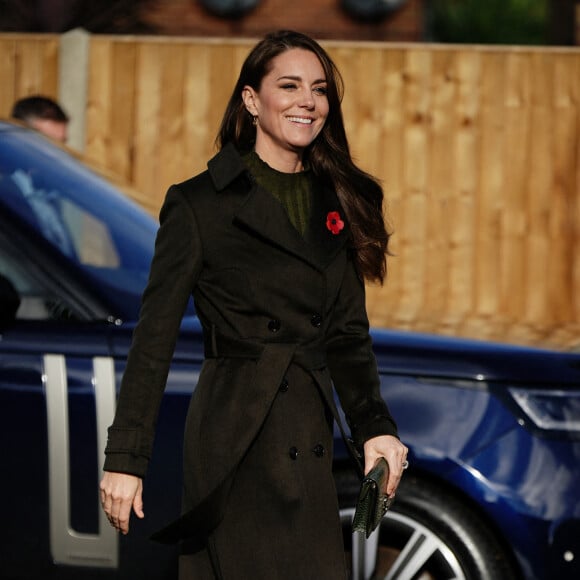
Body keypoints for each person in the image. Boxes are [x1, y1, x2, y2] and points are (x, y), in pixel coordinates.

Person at [100, 30, 408, 579]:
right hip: (235, 433)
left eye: (318, 89)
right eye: (288, 86)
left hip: (307, 434)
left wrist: (374, 427)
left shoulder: (335, 200)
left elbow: (346, 334)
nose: (306, 102)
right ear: (251, 100)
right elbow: (154, 339)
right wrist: (126, 460)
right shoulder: (199, 204)